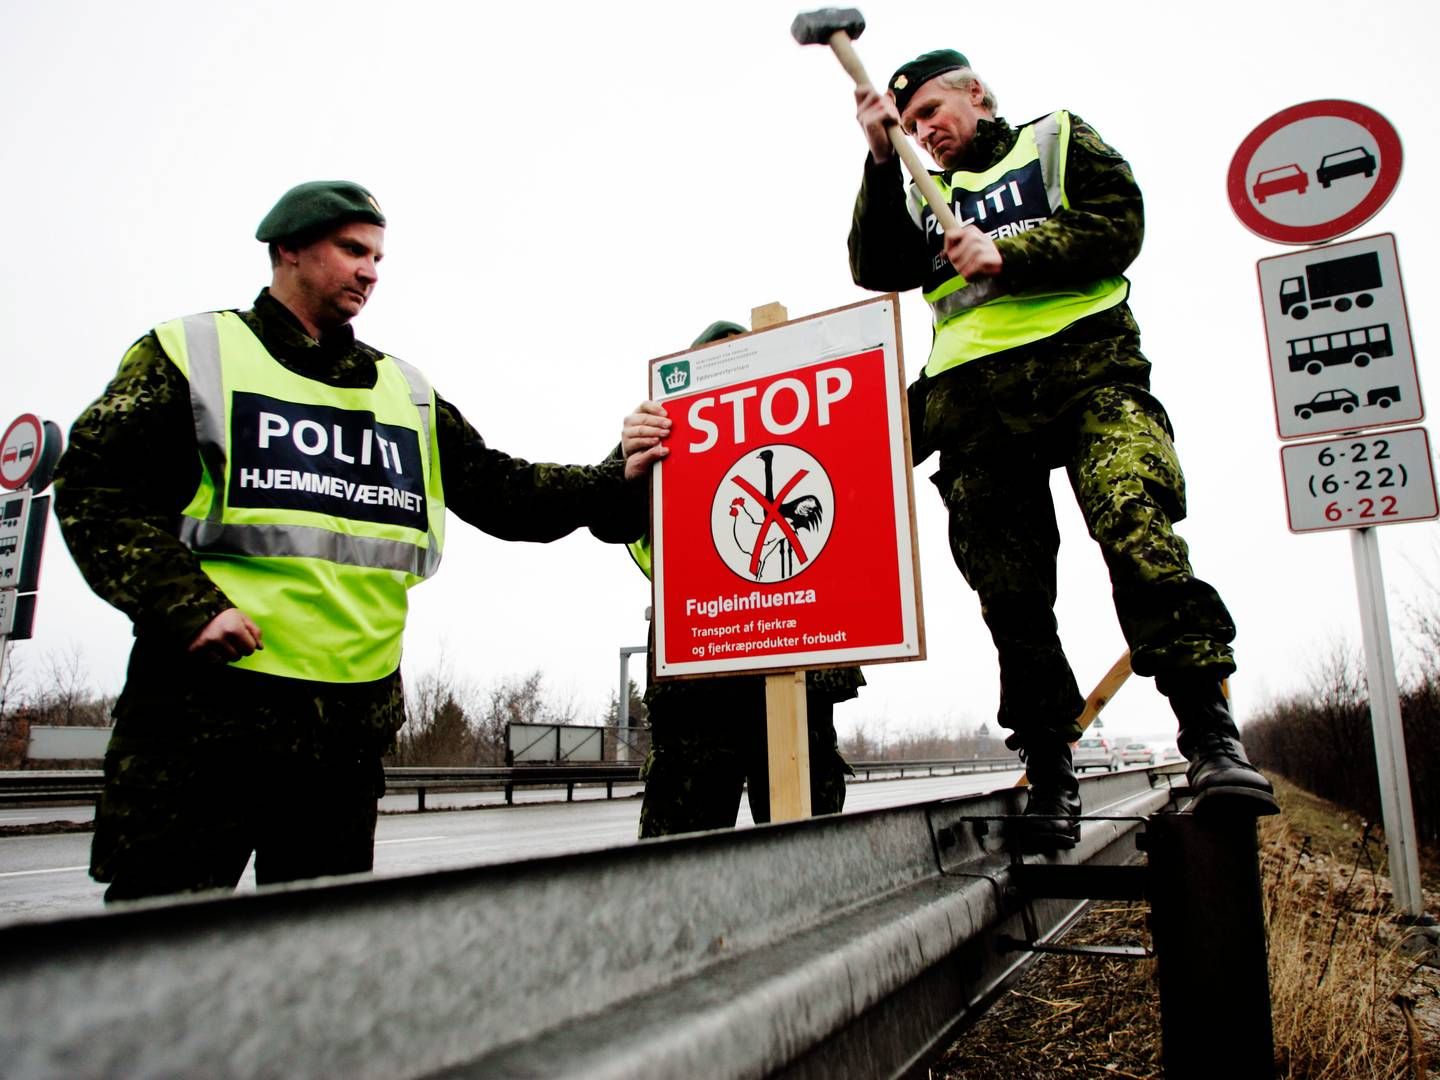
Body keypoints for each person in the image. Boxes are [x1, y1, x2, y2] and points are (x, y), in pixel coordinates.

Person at [56, 180, 664, 901]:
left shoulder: (400, 390)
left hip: (343, 731)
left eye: (377, 256)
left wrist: (613, 475)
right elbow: (95, 489)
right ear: (287, 250)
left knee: (318, 959)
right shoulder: (193, 354)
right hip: (204, 717)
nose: (371, 271)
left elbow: (503, 492)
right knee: (158, 953)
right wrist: (185, 606)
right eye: (352, 250)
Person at [848, 51, 1276, 850]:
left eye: (932, 111)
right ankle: (1050, 775)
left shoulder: (1055, 140)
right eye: (909, 125)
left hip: (1088, 372)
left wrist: (1014, 254)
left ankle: (1212, 740)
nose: (924, 131)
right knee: (1010, 596)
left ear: (977, 93)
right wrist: (879, 161)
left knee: (1133, 523)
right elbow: (877, 268)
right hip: (974, 405)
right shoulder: (913, 189)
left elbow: (1121, 222)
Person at [604, 320, 861, 838]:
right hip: (701, 668)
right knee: (679, 860)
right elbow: (607, 517)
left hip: (795, 662)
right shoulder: (665, 444)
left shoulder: (812, 426)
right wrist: (622, 454)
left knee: (803, 856)